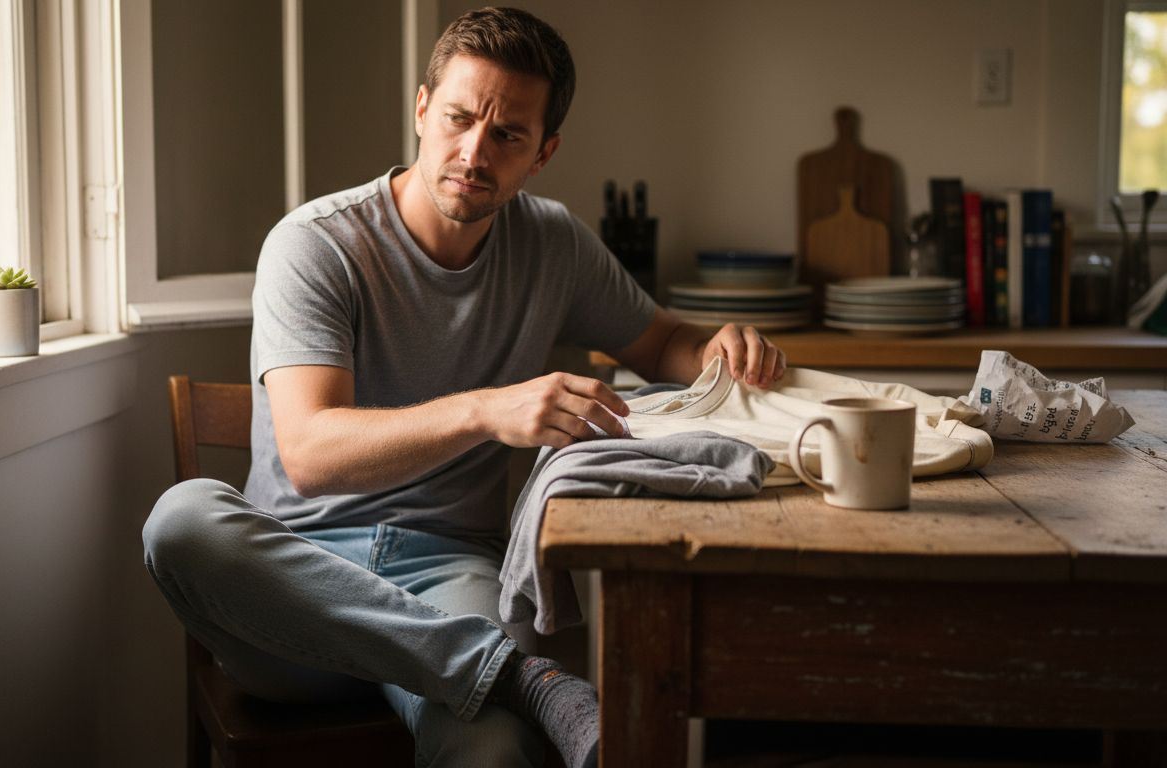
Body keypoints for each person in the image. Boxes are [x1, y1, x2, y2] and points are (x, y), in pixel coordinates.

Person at [143, 7, 786, 767]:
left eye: (508, 135)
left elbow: (663, 342)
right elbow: (312, 453)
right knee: (181, 522)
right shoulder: (316, 244)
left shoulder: (554, 245)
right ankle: (524, 677)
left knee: (496, 754)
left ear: (542, 153)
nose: (474, 151)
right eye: (457, 118)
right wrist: (488, 409)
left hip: (449, 578)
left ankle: (500, 680)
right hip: (298, 596)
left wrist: (719, 345)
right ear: (422, 110)